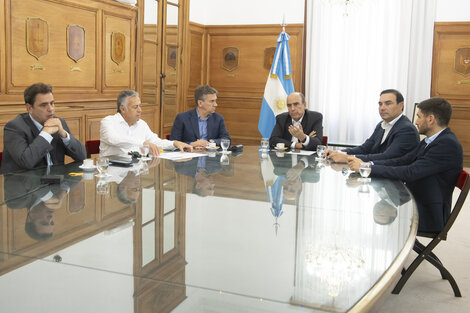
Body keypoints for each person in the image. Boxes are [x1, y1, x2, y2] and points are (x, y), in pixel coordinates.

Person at [348, 97, 463, 232]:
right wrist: (367, 164)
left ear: (430, 119)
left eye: (419, 117)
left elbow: (410, 173)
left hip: (427, 210)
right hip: (412, 197)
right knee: (367, 197)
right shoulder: (431, 140)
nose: (416, 122)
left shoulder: (446, 144)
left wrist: (366, 168)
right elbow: (402, 160)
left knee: (364, 211)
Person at [1, 83, 86, 173]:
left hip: (55, 182)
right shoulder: (15, 127)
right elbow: (26, 162)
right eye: (44, 105)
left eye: (52, 103)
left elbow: (82, 156)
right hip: (25, 184)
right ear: (29, 108)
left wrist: (64, 134)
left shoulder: (58, 123)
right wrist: (45, 134)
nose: (51, 109)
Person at [326, 89, 419, 163]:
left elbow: (387, 157)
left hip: (395, 181)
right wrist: (338, 153)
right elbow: (365, 148)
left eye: (388, 103)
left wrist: (347, 158)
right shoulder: (381, 125)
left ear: (401, 105)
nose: (382, 108)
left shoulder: (406, 129)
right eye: (380, 104)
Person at [100, 90, 192, 157]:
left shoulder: (141, 124)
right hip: (113, 175)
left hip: (136, 171)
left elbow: (155, 142)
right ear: (123, 109)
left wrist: (174, 143)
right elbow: (114, 139)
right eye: (135, 107)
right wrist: (143, 143)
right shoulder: (108, 122)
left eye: (140, 106)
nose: (140, 110)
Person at [170, 85, 230, 149]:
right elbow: (173, 142)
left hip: (210, 156)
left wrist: (209, 143)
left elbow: (226, 140)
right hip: (189, 156)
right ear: (200, 103)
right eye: (212, 101)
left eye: (215, 101)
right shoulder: (182, 118)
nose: (215, 104)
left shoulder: (218, 118)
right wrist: (192, 144)